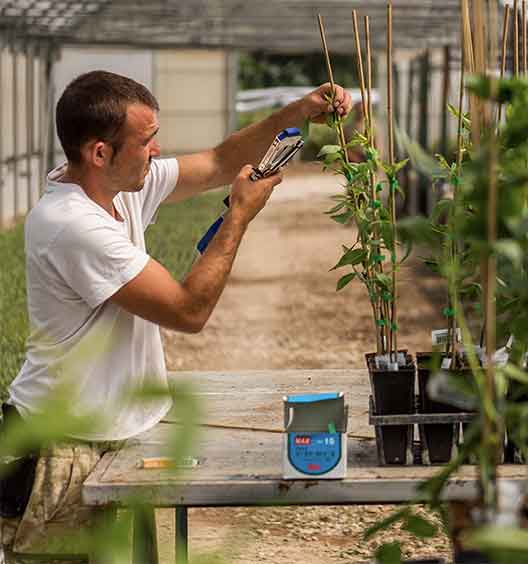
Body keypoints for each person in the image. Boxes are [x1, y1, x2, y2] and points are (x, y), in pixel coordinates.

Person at [0, 70, 352, 560]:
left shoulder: (117, 188)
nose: (157, 151)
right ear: (99, 153)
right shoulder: (73, 225)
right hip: (63, 449)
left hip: (111, 432)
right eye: (147, 141)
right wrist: (238, 218)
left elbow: (219, 160)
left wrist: (297, 112)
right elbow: (189, 310)